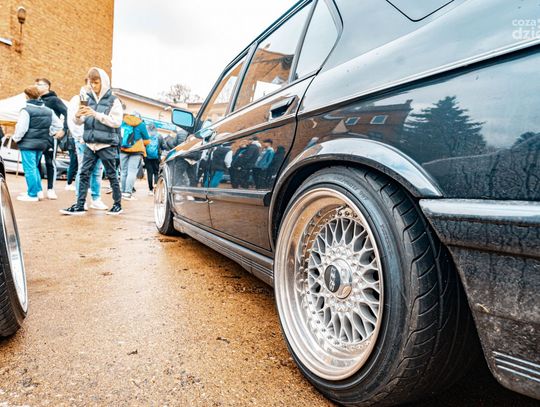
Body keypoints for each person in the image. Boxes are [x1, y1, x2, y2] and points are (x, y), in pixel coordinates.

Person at [60, 67, 123, 215]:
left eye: (96, 82)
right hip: (90, 143)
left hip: (106, 143)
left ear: (103, 82)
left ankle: (117, 204)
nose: (93, 86)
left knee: (111, 174)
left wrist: (95, 114)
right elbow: (79, 122)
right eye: (91, 82)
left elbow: (116, 122)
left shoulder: (113, 101)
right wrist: (77, 116)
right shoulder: (87, 98)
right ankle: (80, 204)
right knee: (83, 173)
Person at [12, 85, 63, 202]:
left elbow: (22, 128)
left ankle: (33, 194)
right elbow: (59, 125)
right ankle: (38, 191)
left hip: (28, 143)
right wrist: (49, 132)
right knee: (34, 167)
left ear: (27, 96)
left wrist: (16, 138)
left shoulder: (26, 110)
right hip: (42, 143)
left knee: (30, 169)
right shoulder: (48, 110)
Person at [67, 90, 107, 210]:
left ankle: (96, 198)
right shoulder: (78, 99)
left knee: (97, 170)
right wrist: (79, 137)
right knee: (83, 170)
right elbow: (73, 119)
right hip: (83, 140)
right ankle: (80, 200)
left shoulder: (102, 100)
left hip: (99, 140)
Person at [35, 78, 68, 200]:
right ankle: (37, 189)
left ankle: (51, 189)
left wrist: (64, 130)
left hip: (51, 136)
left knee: (50, 162)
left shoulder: (54, 100)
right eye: (36, 84)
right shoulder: (36, 100)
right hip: (38, 135)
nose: (37, 86)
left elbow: (67, 112)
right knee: (36, 163)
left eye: (40, 84)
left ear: (47, 86)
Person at [119, 113, 150, 200]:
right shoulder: (141, 124)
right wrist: (141, 142)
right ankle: (128, 192)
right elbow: (147, 140)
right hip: (136, 150)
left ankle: (122, 191)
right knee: (132, 172)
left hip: (123, 149)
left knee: (123, 171)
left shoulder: (123, 122)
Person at [144, 123, 161, 195]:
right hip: (156, 157)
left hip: (147, 157)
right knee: (156, 173)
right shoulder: (159, 136)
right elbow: (163, 146)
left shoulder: (146, 136)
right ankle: (156, 189)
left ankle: (150, 190)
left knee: (149, 173)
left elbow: (143, 145)